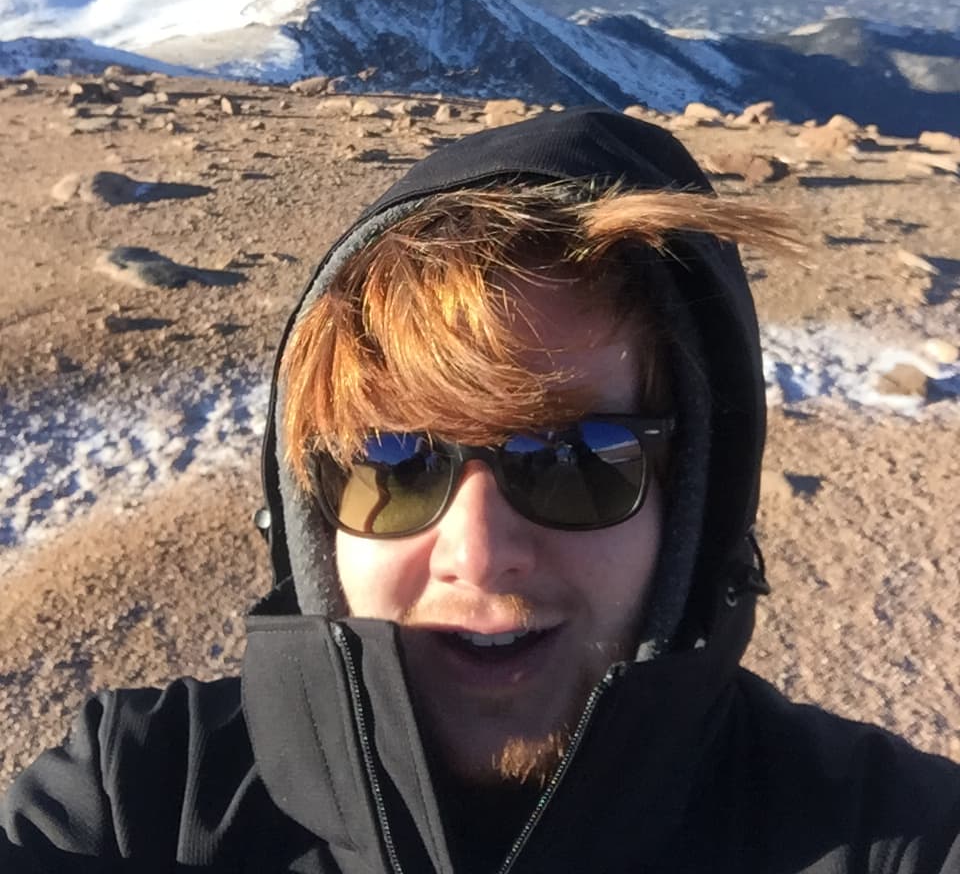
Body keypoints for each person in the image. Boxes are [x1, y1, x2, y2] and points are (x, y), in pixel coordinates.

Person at [2, 106, 959, 873]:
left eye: (581, 457)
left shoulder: (880, 831)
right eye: (392, 461)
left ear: (694, 508)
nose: (478, 551)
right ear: (305, 513)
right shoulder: (141, 796)